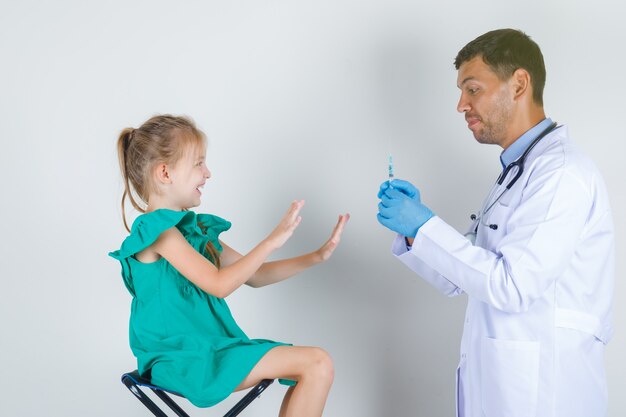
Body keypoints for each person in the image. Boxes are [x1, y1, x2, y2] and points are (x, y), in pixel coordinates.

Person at [377, 29, 614, 417]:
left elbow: (512, 287)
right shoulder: (519, 172)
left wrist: (425, 227)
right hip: (509, 386)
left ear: (519, 84)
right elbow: (462, 275)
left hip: (547, 392)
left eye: (472, 89)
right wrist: (413, 230)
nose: (461, 105)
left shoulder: (560, 173)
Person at [109, 114, 349, 417]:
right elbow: (219, 283)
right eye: (198, 163)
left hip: (212, 349)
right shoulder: (156, 231)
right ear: (165, 173)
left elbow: (256, 274)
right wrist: (270, 241)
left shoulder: (194, 231)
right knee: (316, 363)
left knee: (317, 364)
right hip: (180, 358)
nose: (207, 172)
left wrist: (316, 256)